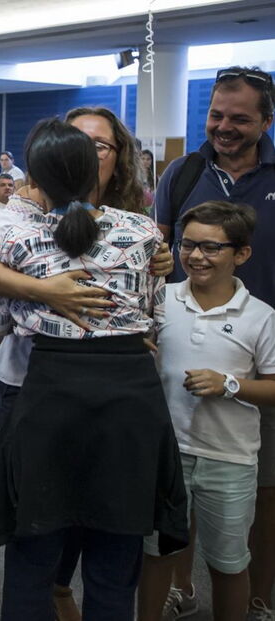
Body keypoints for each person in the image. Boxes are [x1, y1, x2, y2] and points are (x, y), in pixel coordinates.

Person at [0, 117, 188, 621]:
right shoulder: (144, 231)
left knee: (33, 548)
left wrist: (43, 298)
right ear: (95, 170)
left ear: (34, 180)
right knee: (116, 557)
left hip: (51, 396)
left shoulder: (18, 239)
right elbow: (153, 315)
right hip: (131, 400)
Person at [153, 66, 275, 620]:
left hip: (262, 345)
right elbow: (158, 251)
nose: (223, 127)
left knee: (262, 491)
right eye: (215, 115)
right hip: (188, 335)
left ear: (266, 122)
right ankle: (181, 587)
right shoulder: (183, 173)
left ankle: (258, 598)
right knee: (179, 489)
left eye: (239, 118)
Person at [138, 201, 275, 621]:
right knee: (156, 554)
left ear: (241, 253)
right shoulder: (161, 300)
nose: (196, 256)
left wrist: (228, 384)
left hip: (229, 458)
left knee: (228, 563)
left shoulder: (261, 317)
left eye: (212, 247)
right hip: (166, 453)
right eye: (188, 244)